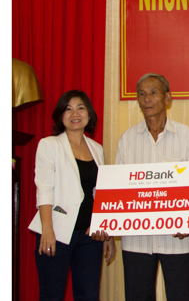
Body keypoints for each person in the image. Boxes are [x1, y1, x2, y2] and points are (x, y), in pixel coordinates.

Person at [115, 73, 189, 301]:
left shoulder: (186, 136)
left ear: (167, 98)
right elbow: (119, 189)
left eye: (153, 92)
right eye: (141, 94)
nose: (147, 99)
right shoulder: (127, 139)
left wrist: (188, 220)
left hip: (177, 238)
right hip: (136, 239)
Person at [28, 90, 115, 300]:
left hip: (90, 237)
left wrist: (107, 232)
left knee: (89, 295)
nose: (75, 113)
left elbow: (99, 193)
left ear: (89, 115)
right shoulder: (50, 145)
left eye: (80, 108)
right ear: (61, 116)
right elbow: (44, 188)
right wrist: (47, 230)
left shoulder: (96, 149)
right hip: (56, 233)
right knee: (52, 295)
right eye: (68, 109)